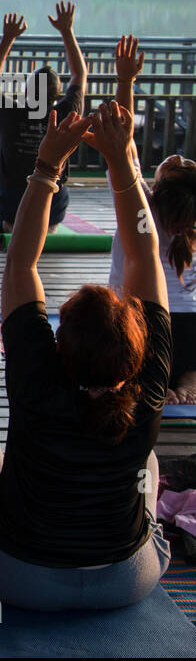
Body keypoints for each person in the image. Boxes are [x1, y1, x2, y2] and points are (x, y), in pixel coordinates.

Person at [0, 40, 171, 611]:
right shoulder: (149, 387)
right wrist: (121, 161)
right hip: (125, 579)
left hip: (15, 574)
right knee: (151, 461)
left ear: (59, 344)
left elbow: (21, 262)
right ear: (136, 348)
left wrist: (46, 167)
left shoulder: (39, 377)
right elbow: (144, 259)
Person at [104, 37, 196, 402]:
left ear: (157, 188)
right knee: (188, 358)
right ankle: (189, 381)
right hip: (189, 332)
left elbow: (123, 147)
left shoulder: (141, 204)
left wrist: (125, 81)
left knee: (124, 347)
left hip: (140, 327)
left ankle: (150, 379)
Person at [0, 2, 86, 232]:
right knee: (54, 195)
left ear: (27, 92)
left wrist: (7, 39)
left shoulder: (11, 114)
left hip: (12, 202)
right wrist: (67, 31)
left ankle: (12, 224)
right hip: (53, 200)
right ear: (57, 94)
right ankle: (48, 223)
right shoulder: (66, 114)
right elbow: (79, 75)